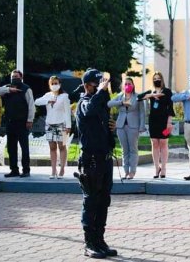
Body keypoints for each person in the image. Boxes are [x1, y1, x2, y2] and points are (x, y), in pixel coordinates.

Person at [75, 69, 118, 258]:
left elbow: (104, 129)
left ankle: (100, 240)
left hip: (105, 158)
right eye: (97, 84)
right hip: (91, 160)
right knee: (91, 201)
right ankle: (89, 243)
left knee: (103, 201)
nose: (102, 87)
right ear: (87, 85)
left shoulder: (101, 105)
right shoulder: (84, 102)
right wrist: (100, 92)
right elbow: (89, 110)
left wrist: (112, 130)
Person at [0, 70, 35, 178]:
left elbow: (31, 106)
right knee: (11, 148)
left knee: (24, 148)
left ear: (21, 77)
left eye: (16, 76)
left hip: (23, 123)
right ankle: (14, 170)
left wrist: (30, 120)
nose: (14, 78)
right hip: (10, 123)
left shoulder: (26, 89)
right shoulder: (7, 88)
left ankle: (26, 170)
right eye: (13, 76)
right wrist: (9, 89)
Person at [108, 77, 146, 180]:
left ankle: (132, 172)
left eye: (129, 83)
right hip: (120, 126)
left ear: (133, 85)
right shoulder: (120, 96)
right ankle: (126, 171)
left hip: (133, 126)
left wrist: (142, 126)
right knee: (125, 150)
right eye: (125, 84)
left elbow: (142, 113)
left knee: (133, 149)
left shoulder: (137, 97)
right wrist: (121, 103)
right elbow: (109, 104)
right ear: (122, 86)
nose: (127, 86)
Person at [34, 76, 72, 179]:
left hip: (62, 124)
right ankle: (53, 170)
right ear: (49, 85)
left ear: (60, 84)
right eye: (52, 83)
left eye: (56, 83)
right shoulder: (47, 95)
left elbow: (67, 112)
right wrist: (48, 101)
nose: (55, 85)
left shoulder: (64, 96)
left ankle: (62, 169)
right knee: (52, 147)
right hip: (49, 124)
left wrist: (68, 126)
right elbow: (36, 102)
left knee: (62, 146)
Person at [138, 72, 174, 178]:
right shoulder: (151, 91)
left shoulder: (167, 91)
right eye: (155, 78)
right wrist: (152, 95)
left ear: (162, 79)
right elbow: (138, 97)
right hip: (153, 120)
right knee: (154, 143)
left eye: (158, 78)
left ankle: (163, 168)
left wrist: (169, 122)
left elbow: (170, 108)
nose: (157, 80)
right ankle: (156, 167)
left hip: (164, 121)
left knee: (163, 142)